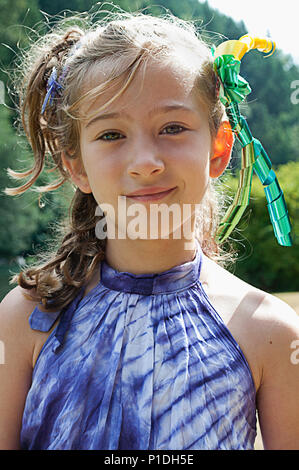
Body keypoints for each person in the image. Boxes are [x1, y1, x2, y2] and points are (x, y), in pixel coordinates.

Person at [1, 9, 299, 451]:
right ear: (76, 164)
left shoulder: (270, 334)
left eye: (173, 128)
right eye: (111, 135)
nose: (145, 161)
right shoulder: (27, 318)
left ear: (218, 147)